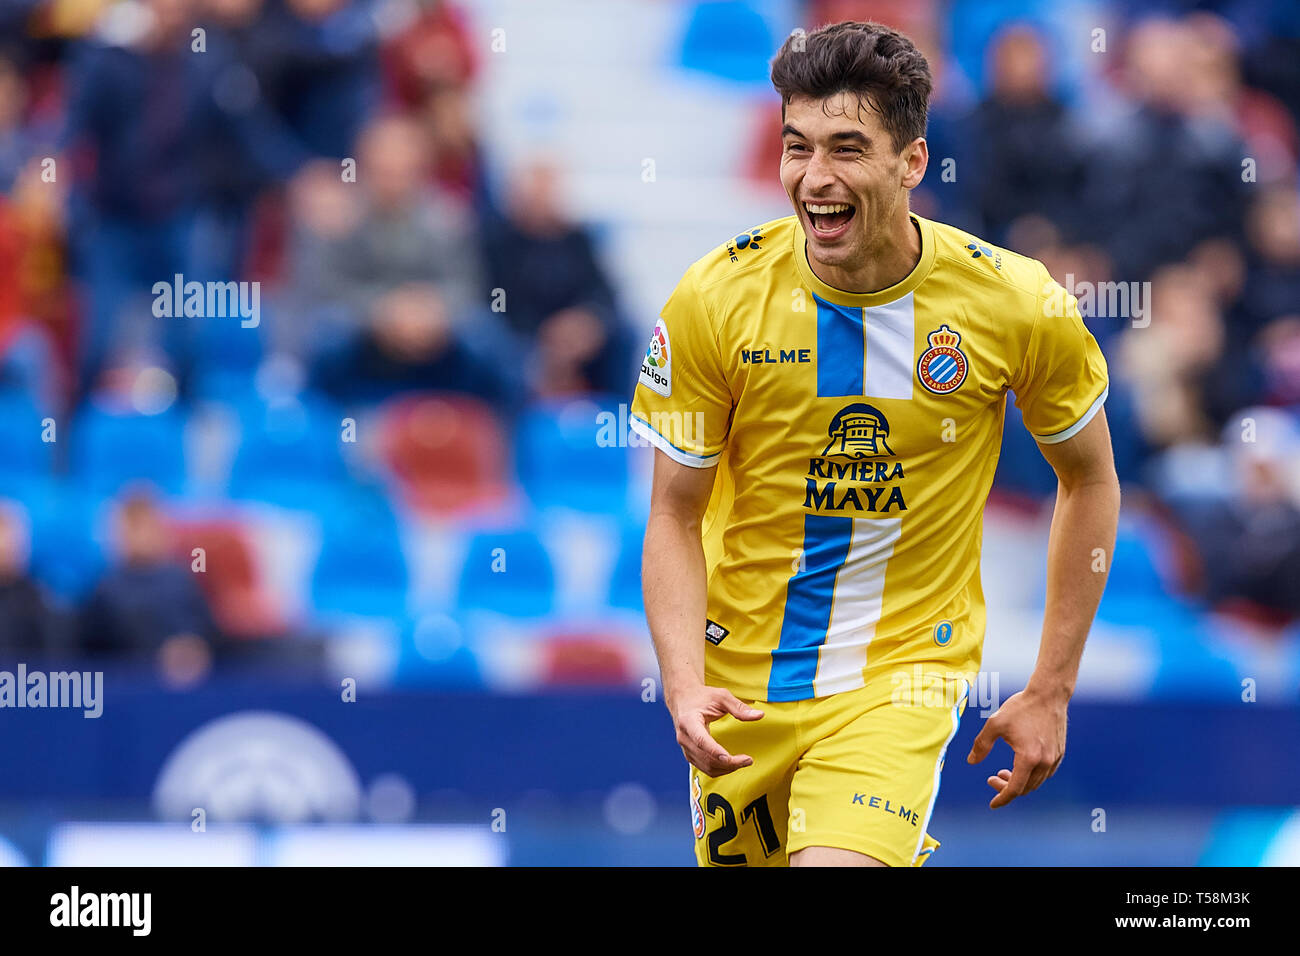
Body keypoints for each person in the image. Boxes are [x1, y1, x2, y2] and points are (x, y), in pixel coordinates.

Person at [631, 21, 1121, 867]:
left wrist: (1051, 686)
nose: (815, 178)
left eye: (847, 148)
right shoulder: (715, 297)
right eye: (797, 147)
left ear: (913, 162)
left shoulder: (1015, 304)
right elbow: (675, 513)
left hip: (902, 676)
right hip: (743, 689)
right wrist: (680, 678)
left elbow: (1091, 483)